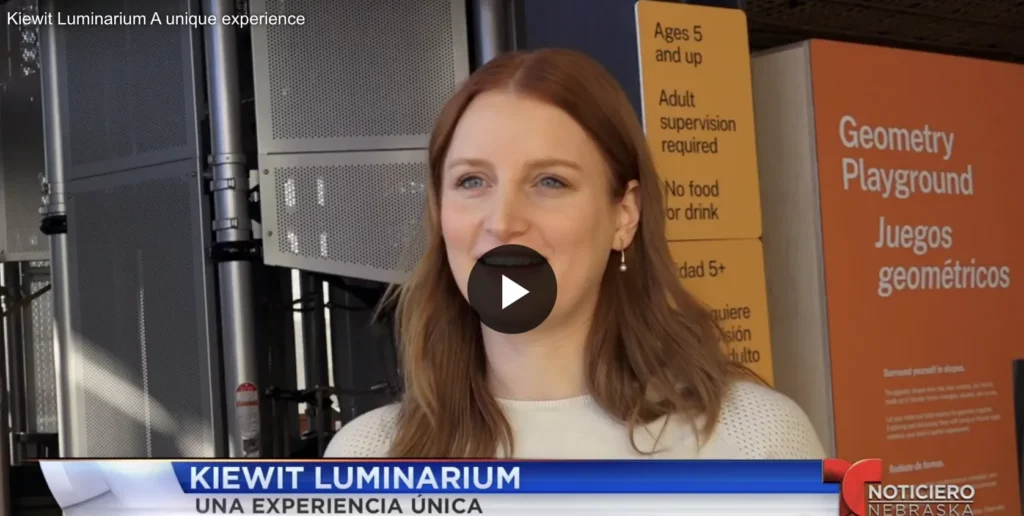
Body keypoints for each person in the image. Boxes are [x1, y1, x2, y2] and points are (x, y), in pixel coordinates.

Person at [324, 49, 826, 459]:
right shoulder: (366, 457)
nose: (503, 221)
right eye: (471, 181)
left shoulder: (758, 441)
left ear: (624, 215)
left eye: (550, 181)